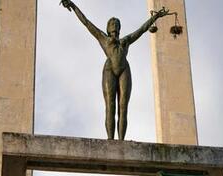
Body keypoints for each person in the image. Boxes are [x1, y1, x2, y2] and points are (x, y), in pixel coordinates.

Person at [60, 0, 169, 140]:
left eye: (116, 24)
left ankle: (121, 140)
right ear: (107, 28)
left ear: (119, 28)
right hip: (109, 69)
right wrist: (73, 6)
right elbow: (87, 23)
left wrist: (156, 17)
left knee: (123, 106)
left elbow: (142, 30)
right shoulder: (103, 38)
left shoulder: (126, 40)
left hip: (124, 69)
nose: (114, 26)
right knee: (110, 106)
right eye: (112, 24)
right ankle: (110, 140)